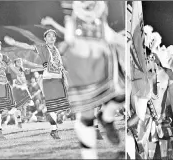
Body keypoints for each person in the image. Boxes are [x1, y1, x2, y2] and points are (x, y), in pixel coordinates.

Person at [43, 1, 127, 158]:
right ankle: (89, 155)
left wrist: (126, 45)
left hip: (102, 63)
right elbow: (69, 34)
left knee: (122, 94)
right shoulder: (73, 14)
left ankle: (106, 118)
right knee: (87, 114)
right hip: (81, 67)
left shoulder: (100, 13)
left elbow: (108, 34)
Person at [4, 28, 71, 139]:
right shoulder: (42, 48)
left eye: (53, 36)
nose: (52, 37)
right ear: (45, 39)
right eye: (49, 36)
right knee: (53, 105)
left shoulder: (56, 50)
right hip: (49, 79)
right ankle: (54, 130)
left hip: (59, 78)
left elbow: (58, 65)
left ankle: (54, 117)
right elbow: (28, 46)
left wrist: (64, 72)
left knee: (61, 106)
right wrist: (15, 43)